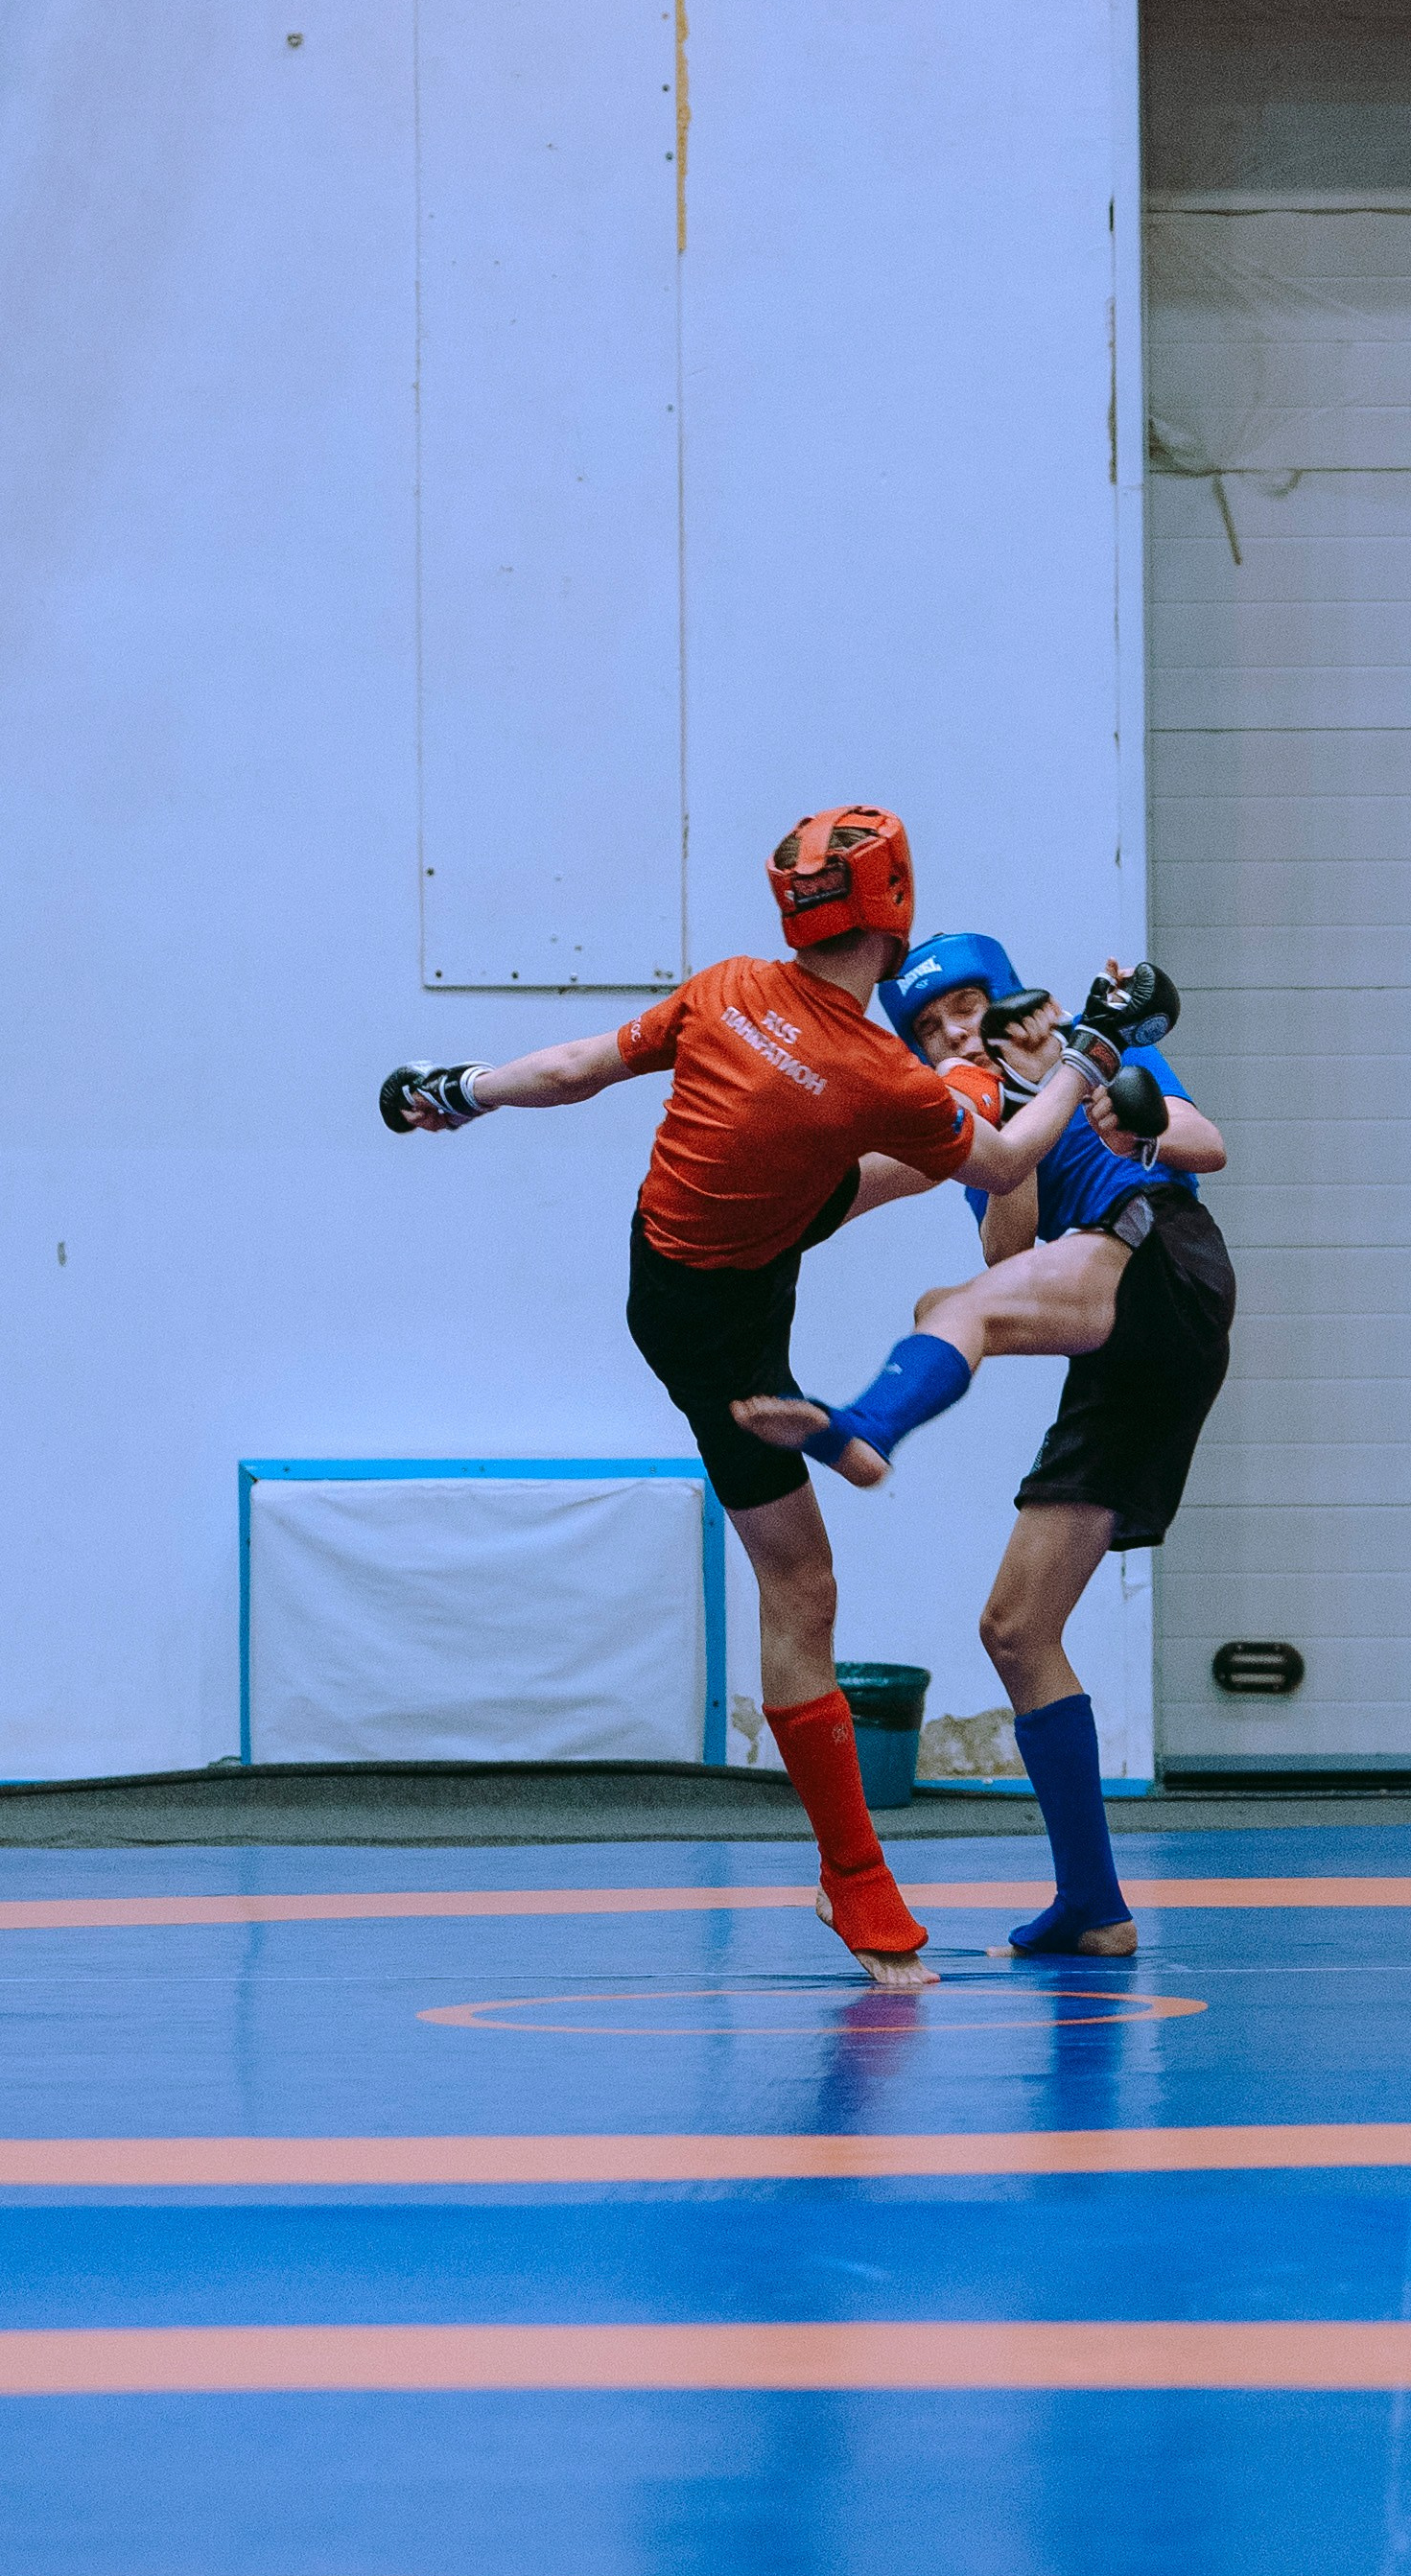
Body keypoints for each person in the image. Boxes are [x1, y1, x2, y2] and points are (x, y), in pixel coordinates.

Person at [380, 824, 1107, 1987]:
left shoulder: (729, 990)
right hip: (714, 1327)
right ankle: (852, 1880)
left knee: (890, 1154)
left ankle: (849, 1425)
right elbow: (1012, 1162)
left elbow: (575, 1070)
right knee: (803, 1584)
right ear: (895, 909)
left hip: (719, 1244)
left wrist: (453, 1090)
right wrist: (1087, 1055)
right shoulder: (876, 1075)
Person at [732, 929, 1235, 1958]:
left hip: (1160, 1258)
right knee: (1015, 1628)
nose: (953, 1030)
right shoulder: (980, 1117)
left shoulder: (1091, 1046)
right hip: (1119, 1332)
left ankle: (867, 1427)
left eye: (965, 1009)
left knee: (956, 1311)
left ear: (1006, 1000)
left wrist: (1115, 1098)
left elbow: (1204, 1144)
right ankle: (1095, 1904)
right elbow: (1012, 1248)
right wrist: (1009, 1134)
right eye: (929, 1027)